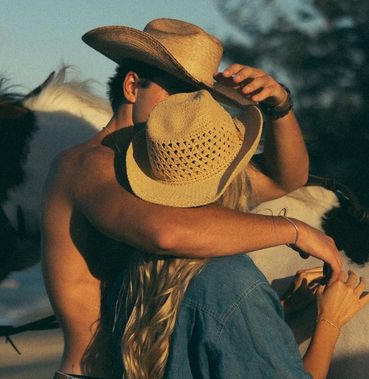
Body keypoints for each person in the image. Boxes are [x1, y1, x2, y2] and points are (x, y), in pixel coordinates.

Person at [41, 18, 342, 378]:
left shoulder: (167, 165)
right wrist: (293, 230)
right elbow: (164, 232)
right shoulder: (88, 164)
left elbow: (286, 179)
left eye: (199, 95)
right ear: (133, 86)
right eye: (179, 91)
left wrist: (279, 107)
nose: (189, 106)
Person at [115, 90, 369, 378]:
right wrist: (329, 322)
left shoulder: (140, 269)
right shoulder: (234, 283)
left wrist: (275, 316)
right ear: (237, 174)